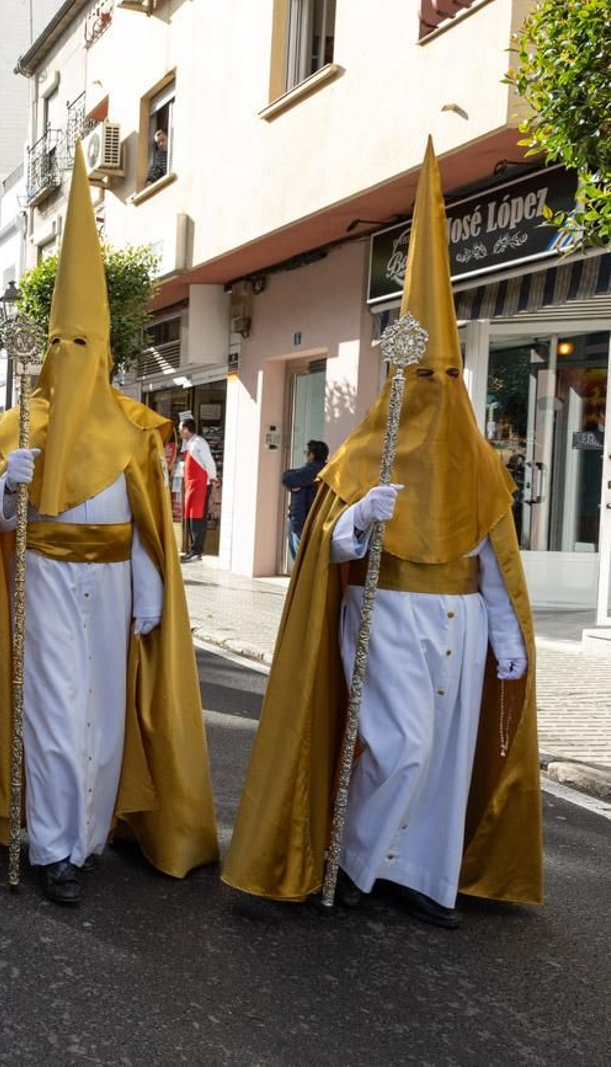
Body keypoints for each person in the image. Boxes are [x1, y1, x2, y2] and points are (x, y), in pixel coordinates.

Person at [223, 142, 540, 929]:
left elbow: (494, 552)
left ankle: (420, 875)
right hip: (384, 610)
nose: (433, 395)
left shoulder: (478, 458)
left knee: (440, 756)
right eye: (420, 377)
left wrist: (505, 630)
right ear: (400, 374)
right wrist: (359, 520)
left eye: (444, 378)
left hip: (459, 620)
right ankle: (355, 858)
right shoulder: (370, 446)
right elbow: (325, 545)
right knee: (398, 745)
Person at [0, 147, 218, 904]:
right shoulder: (19, 424)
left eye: (85, 346)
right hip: (46, 575)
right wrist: (8, 492)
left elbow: (149, 518)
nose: (73, 360)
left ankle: (87, 833)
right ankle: (52, 843)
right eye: (64, 345)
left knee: (104, 713)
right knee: (53, 709)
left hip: (115, 580)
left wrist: (151, 579)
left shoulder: (133, 426)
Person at [280, 439, 329, 560]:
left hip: (302, 520)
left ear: (311, 455)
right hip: (308, 519)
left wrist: (293, 484)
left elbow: (287, 478)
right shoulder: (325, 470)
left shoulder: (313, 470)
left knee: (301, 559)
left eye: (306, 452)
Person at [177, 416, 216, 562]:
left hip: (200, 485)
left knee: (198, 517)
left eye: (180, 429)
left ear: (186, 429)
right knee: (191, 517)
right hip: (191, 485)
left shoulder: (199, 443)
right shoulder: (188, 444)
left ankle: (197, 550)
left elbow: (209, 461)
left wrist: (213, 477)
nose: (179, 431)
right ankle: (192, 549)